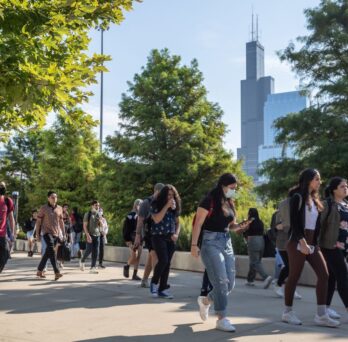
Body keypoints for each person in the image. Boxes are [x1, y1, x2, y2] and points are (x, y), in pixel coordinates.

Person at [282, 168, 339, 327]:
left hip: (312, 244)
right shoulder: (297, 197)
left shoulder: (315, 200)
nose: (319, 182)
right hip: (297, 243)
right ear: (308, 180)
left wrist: (314, 244)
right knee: (294, 276)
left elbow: (316, 226)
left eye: (319, 179)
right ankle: (287, 312)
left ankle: (321, 315)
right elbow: (295, 223)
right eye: (317, 179)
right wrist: (302, 242)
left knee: (324, 275)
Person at [191, 173, 248, 332]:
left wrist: (240, 226)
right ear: (222, 185)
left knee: (229, 284)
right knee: (221, 282)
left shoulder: (229, 202)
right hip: (210, 243)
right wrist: (194, 245)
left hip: (226, 241)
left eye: (235, 188)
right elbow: (198, 224)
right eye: (231, 188)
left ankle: (206, 301)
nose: (233, 191)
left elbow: (231, 226)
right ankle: (222, 318)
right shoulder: (208, 200)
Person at [319, 177, 348, 321]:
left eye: (346, 186)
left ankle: (325, 309)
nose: (346, 188)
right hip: (329, 246)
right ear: (334, 189)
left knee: (332, 278)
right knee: (344, 276)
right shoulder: (327, 204)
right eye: (342, 186)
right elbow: (318, 226)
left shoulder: (346, 205)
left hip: (343, 247)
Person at [149, 184, 181, 299]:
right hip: (158, 236)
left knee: (167, 263)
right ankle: (154, 282)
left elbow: (178, 222)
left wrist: (176, 233)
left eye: (172, 195)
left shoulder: (174, 207)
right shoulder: (155, 204)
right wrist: (166, 206)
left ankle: (162, 289)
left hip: (170, 238)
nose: (170, 197)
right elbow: (157, 219)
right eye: (168, 195)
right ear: (164, 195)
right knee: (163, 260)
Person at [134, 183, 164, 288]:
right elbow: (140, 220)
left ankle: (144, 280)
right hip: (149, 234)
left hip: (160, 233)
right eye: (161, 192)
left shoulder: (163, 202)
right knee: (155, 255)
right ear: (156, 191)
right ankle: (158, 282)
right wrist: (138, 235)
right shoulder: (146, 203)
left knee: (151, 258)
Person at [35, 191, 65, 280]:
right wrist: (37, 234)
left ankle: (39, 270)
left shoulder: (59, 208)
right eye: (52, 197)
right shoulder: (43, 208)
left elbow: (61, 221)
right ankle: (57, 272)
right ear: (48, 198)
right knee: (51, 251)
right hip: (46, 233)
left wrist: (63, 233)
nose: (54, 198)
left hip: (56, 234)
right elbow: (38, 222)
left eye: (55, 197)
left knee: (48, 253)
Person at [244, 208, 272, 288]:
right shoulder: (260, 222)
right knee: (255, 261)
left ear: (250, 214)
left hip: (253, 241)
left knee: (255, 262)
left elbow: (244, 231)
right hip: (261, 241)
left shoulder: (249, 222)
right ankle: (250, 280)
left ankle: (266, 277)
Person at [79, 200, 102, 274]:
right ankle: (82, 260)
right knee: (89, 250)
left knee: (96, 251)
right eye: (96, 205)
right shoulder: (88, 214)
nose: (97, 207)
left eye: (98, 205)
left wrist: (101, 224)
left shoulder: (98, 214)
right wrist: (87, 235)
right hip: (90, 234)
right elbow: (84, 226)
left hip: (97, 234)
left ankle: (92, 267)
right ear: (92, 206)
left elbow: (100, 225)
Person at [123, 199, 143, 280]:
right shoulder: (130, 215)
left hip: (140, 238)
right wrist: (127, 240)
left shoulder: (141, 216)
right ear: (136, 205)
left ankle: (135, 274)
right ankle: (127, 266)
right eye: (141, 205)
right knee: (134, 256)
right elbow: (126, 229)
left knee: (138, 256)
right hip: (131, 238)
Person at [0, 182, 15, 273]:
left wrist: (12, 233)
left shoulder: (7, 201)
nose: (1, 188)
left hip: (2, 234)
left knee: (6, 252)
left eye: (3, 186)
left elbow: (11, 217)